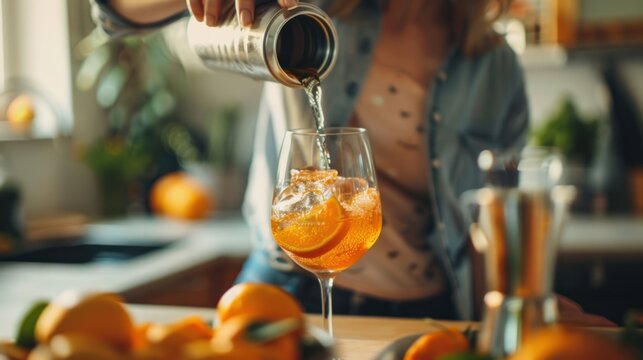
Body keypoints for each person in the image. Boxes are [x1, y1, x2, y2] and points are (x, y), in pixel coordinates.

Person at [91, 0, 614, 326]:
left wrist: (513, 314)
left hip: (428, 308)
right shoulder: (310, 10)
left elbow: (488, 225)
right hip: (284, 292)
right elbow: (117, 12)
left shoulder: (495, 68)